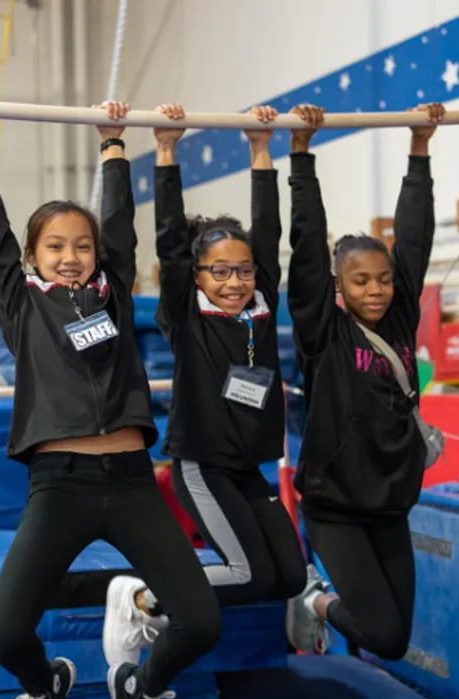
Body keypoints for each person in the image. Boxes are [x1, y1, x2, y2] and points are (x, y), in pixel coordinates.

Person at [0, 91, 221, 699]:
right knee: (4, 634)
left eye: (81, 245)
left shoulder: (114, 297)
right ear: (34, 256)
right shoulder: (22, 305)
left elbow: (122, 224)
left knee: (202, 622)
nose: (70, 255)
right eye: (54, 246)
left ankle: (138, 688)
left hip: (131, 482)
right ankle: (46, 684)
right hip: (60, 486)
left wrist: (114, 142)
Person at [102, 103, 306, 667]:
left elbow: (268, 231)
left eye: (243, 270)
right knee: (246, 571)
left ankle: (159, 598)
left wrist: (261, 150)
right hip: (203, 465)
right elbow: (169, 242)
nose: (235, 280)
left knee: (289, 575)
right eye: (220, 271)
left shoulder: (261, 305)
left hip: (248, 467)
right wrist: (166, 151)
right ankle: (141, 597)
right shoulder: (186, 314)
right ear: (198, 276)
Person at [283, 102, 445, 660]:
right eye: (360, 281)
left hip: (390, 505)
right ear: (338, 286)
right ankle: (313, 599)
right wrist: (301, 156)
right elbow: (305, 250)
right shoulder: (323, 333)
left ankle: (317, 602)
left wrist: (419, 148)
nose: (375, 290)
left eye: (382, 280)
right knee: (377, 631)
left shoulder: (399, 317)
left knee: (395, 641)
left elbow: (414, 238)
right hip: (336, 508)